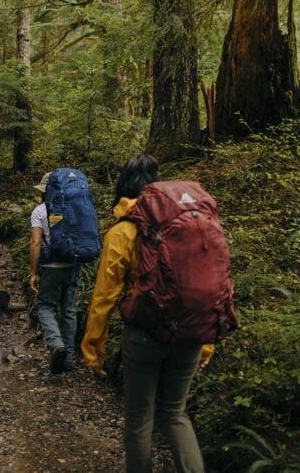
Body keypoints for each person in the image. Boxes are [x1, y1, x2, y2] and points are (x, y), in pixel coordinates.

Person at [81, 155, 212, 473]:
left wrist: (93, 346)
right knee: (174, 413)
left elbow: (104, 298)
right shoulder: (188, 226)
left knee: (139, 417)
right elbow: (206, 283)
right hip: (190, 333)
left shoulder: (122, 232)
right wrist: (207, 341)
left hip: (143, 335)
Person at [29, 172, 81, 374]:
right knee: (68, 309)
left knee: (45, 307)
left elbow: (35, 243)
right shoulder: (76, 208)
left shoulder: (40, 211)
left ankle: (56, 344)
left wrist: (33, 272)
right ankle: (68, 358)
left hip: (50, 266)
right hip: (74, 264)